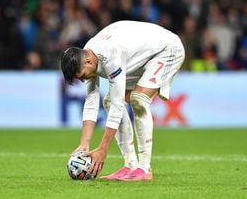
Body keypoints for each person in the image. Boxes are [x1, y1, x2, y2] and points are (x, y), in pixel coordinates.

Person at [60, 20, 185, 181]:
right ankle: (130, 165)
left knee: (138, 99)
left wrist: (103, 149)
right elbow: (92, 100)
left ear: (88, 62)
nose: (84, 80)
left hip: (168, 49)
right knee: (109, 101)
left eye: (83, 76)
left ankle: (145, 169)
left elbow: (119, 104)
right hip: (141, 57)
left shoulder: (110, 55)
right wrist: (84, 143)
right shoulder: (88, 56)